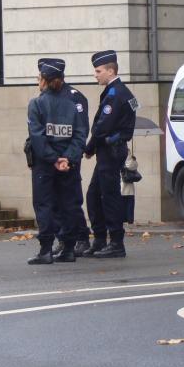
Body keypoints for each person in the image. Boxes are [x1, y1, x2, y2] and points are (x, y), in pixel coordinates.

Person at [26, 58, 88, 265]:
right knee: (68, 204)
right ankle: (68, 249)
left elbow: (37, 137)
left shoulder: (36, 104)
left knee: (44, 205)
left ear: (44, 80)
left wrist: (53, 159)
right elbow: (80, 136)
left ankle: (46, 250)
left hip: (45, 164)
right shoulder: (73, 105)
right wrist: (67, 159)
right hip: (67, 164)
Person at [80, 50, 137, 259]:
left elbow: (103, 126)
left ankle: (116, 242)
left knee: (109, 196)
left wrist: (89, 148)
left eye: (98, 70)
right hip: (109, 150)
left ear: (110, 70)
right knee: (94, 194)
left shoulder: (116, 94)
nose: (95, 75)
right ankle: (100, 239)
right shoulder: (119, 92)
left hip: (111, 150)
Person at [50, 81, 94, 259]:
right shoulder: (47, 97)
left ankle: (81, 238)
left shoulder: (74, 97)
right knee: (55, 202)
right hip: (53, 158)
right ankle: (63, 238)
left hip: (69, 157)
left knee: (71, 201)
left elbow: (81, 130)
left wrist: (70, 156)